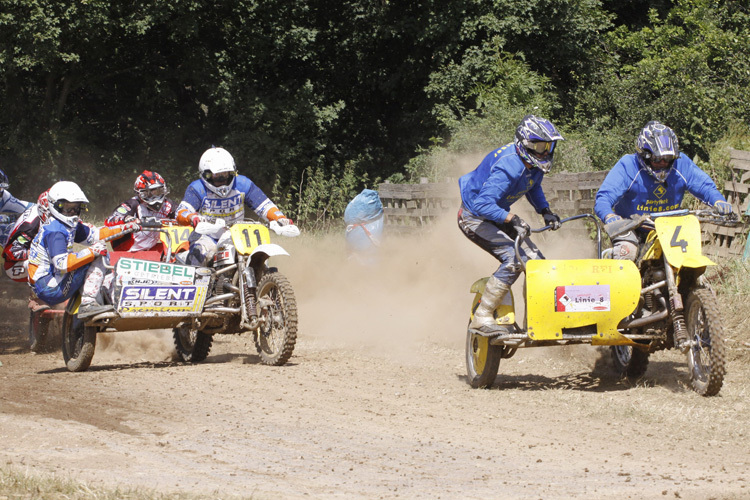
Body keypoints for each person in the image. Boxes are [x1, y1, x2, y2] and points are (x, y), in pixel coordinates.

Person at [458, 114, 564, 335]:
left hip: (496, 214)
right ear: (526, 143)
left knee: (537, 263)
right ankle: (482, 316)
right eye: (541, 145)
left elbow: (533, 187)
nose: (546, 151)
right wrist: (512, 219)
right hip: (474, 217)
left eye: (549, 146)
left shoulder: (532, 164)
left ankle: (536, 321)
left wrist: (545, 211)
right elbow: (481, 205)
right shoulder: (509, 166)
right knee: (514, 260)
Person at [595, 121, 732, 260]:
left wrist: (718, 200)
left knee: (688, 256)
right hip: (630, 227)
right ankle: (612, 260)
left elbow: (704, 186)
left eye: (668, 159)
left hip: (668, 227)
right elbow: (604, 197)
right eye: (657, 158)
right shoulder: (628, 166)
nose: (663, 163)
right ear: (645, 155)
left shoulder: (682, 164)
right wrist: (609, 215)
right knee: (627, 252)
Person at [27, 181, 139, 318]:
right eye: (68, 208)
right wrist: (91, 252)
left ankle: (101, 299)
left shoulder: (64, 225)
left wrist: (127, 227)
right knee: (100, 255)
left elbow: (96, 235)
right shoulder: (55, 231)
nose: (73, 212)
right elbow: (62, 264)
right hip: (50, 287)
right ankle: (88, 303)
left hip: (50, 281)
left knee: (101, 257)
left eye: (76, 208)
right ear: (55, 206)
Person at [176, 146, 296, 266]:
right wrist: (192, 217)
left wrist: (279, 218)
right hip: (207, 235)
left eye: (225, 174)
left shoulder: (243, 184)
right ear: (206, 175)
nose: (222, 179)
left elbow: (265, 206)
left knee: (260, 259)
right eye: (217, 175)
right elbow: (182, 211)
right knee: (198, 255)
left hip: (237, 235)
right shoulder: (197, 188)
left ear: (232, 172)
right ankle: (195, 283)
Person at [104, 170, 177, 253]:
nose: (154, 196)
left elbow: (183, 214)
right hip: (128, 250)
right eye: (149, 193)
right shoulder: (132, 204)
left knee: (177, 253)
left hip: (151, 248)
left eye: (158, 191)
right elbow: (109, 220)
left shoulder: (169, 205)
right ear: (140, 193)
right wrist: (126, 219)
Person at [2, 188, 51, 283]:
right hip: (13, 265)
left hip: (20, 249)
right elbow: (13, 252)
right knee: (53, 261)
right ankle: (40, 295)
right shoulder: (31, 226)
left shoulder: (38, 209)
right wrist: (40, 252)